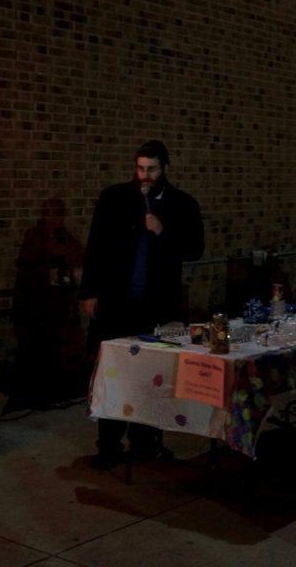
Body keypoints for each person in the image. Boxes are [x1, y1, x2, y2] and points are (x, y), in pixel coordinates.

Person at [78, 140, 205, 469]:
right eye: (140, 169)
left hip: (156, 305)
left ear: (164, 169)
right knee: (115, 373)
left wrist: (164, 231)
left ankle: (146, 443)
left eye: (151, 170)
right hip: (118, 301)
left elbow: (194, 249)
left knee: (153, 376)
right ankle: (108, 445)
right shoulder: (115, 198)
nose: (144, 176)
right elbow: (96, 245)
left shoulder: (182, 204)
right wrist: (90, 292)